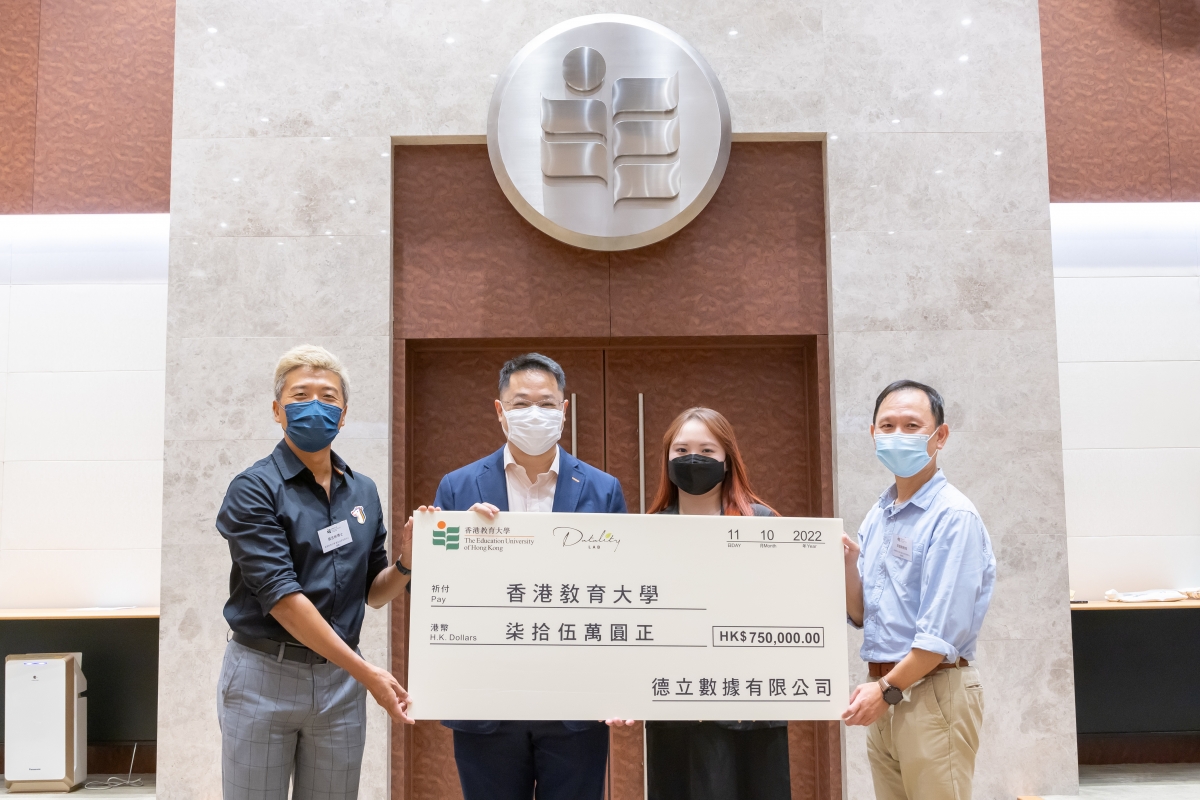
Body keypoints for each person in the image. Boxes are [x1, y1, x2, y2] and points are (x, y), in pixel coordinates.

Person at [215, 345, 415, 800]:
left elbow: (374, 592)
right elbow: (283, 601)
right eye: (300, 395)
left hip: (339, 685)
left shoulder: (362, 490)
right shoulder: (254, 488)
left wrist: (407, 562)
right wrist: (367, 673)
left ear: (342, 416)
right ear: (277, 410)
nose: (315, 406)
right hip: (263, 677)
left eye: (328, 397)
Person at [432, 353, 628, 800]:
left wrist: (619, 685)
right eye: (521, 404)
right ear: (500, 411)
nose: (534, 414)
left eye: (547, 403)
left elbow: (620, 590)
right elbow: (435, 588)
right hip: (485, 699)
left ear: (564, 410)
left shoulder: (603, 489)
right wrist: (463, 540)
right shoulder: (458, 487)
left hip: (575, 703)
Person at [841, 380, 997, 800]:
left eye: (912, 426)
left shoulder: (953, 516)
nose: (897, 435)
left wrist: (886, 690)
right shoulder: (879, 514)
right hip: (885, 689)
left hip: (930, 691)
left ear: (939, 436)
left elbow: (938, 636)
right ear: (872, 434)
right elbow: (861, 615)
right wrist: (848, 565)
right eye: (887, 426)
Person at [643, 407, 791, 800]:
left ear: (727, 460)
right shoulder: (647, 532)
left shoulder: (764, 526)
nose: (694, 459)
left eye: (707, 451)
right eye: (682, 450)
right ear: (667, 459)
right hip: (676, 712)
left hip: (752, 712)